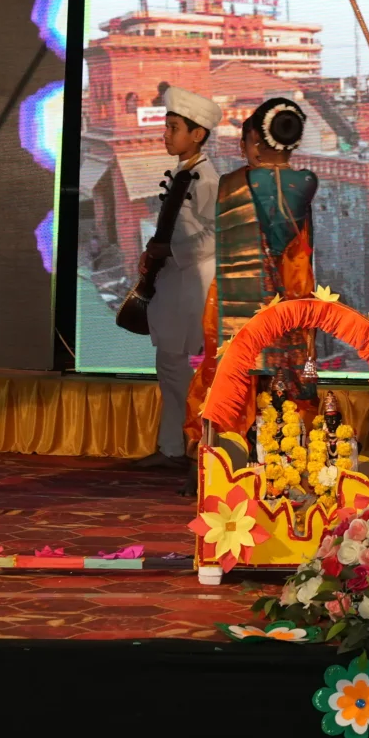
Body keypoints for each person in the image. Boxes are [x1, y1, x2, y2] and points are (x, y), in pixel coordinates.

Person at [188, 95, 320, 422]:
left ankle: (229, 437)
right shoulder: (306, 183)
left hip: (238, 301)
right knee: (287, 391)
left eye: (245, 142)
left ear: (257, 142)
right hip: (291, 296)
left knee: (234, 374)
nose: (243, 150)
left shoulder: (232, 184)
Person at [141, 87, 222, 469]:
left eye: (173, 127)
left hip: (194, 283)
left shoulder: (206, 179)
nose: (166, 134)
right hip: (175, 282)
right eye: (167, 126)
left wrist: (170, 251)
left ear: (198, 134)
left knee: (179, 368)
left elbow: (215, 235)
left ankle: (196, 448)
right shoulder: (183, 173)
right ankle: (172, 447)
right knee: (169, 364)